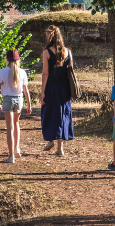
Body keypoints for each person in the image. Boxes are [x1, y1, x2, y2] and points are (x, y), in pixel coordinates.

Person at [40, 25, 74, 155]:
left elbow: (45, 73)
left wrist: (42, 92)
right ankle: (60, 148)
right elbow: (70, 71)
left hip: (51, 87)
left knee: (49, 113)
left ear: (50, 36)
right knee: (63, 115)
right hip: (64, 88)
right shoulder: (68, 52)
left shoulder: (47, 52)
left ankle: (50, 139)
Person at [0, 49, 31, 163]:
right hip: (19, 99)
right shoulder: (23, 72)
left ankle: (11, 157)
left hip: (7, 100)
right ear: (18, 60)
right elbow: (26, 90)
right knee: (16, 123)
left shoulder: (3, 71)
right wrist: (29, 104)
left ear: (7, 60)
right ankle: (17, 148)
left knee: (9, 128)